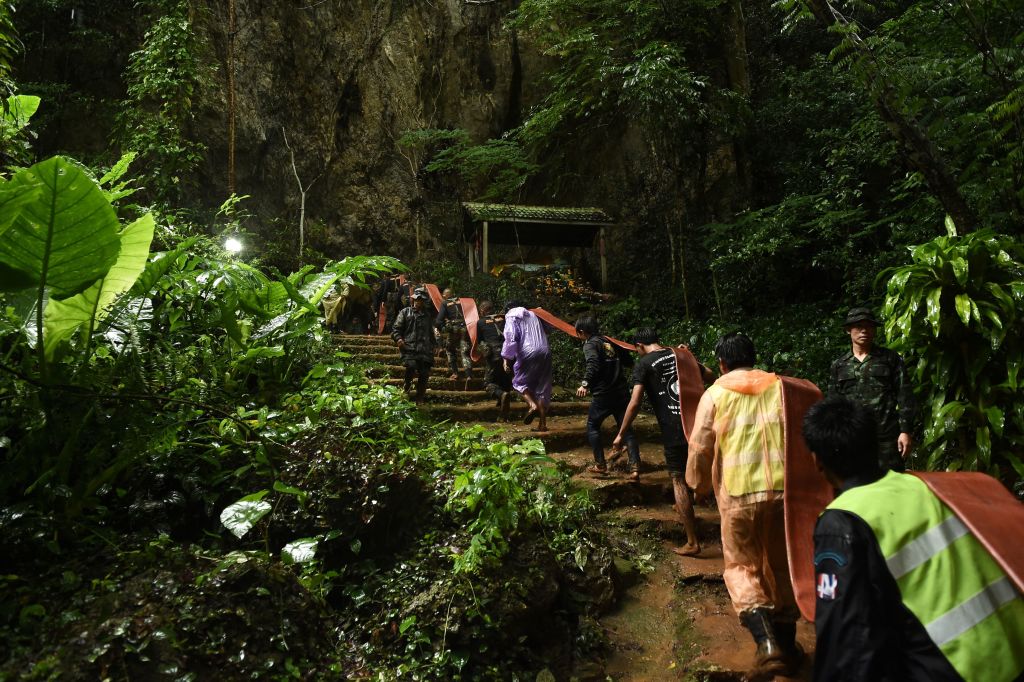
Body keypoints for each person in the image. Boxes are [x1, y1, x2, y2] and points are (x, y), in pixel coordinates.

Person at [802, 396, 1024, 682]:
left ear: (817, 461)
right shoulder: (923, 485)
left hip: (956, 669)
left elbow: (846, 641)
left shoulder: (842, 522)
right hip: (1011, 655)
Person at [687, 332, 803, 676]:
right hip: (784, 493)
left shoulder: (715, 394)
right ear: (753, 357)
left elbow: (700, 446)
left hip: (738, 494)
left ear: (722, 364)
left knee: (742, 567)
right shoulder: (782, 387)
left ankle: (767, 646)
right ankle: (788, 648)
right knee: (782, 566)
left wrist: (698, 485)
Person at [612, 327, 712, 556]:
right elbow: (711, 376)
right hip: (699, 423)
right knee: (700, 464)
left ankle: (692, 541)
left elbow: (635, 402)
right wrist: (691, 357)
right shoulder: (680, 354)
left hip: (673, 428)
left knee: (677, 479)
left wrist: (621, 433)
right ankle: (694, 499)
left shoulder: (644, 363)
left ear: (639, 346)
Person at [828, 307, 915, 471]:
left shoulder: (890, 359)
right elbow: (834, 404)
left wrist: (905, 431)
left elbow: (905, 395)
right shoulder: (839, 365)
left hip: (887, 438)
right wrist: (835, 436)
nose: (864, 330)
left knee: (891, 481)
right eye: (858, 326)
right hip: (853, 438)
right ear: (848, 330)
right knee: (856, 482)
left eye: (869, 326)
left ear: (874, 330)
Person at [573, 317, 642, 478]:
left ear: (582, 332)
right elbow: (628, 361)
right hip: (621, 392)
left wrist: (585, 384)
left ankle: (600, 464)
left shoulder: (590, 344)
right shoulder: (610, 341)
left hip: (603, 394)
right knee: (626, 428)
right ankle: (635, 468)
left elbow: (593, 363)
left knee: (592, 426)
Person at [501, 301, 552, 432]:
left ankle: (532, 405)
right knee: (542, 387)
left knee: (519, 382)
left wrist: (506, 359)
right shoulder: (535, 314)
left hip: (528, 352)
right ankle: (542, 424)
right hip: (545, 351)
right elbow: (549, 328)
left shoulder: (511, 315)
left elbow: (510, 338)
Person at [390, 288, 436, 403]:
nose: (418, 302)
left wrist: (435, 345)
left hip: (425, 350)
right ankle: (406, 391)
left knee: (424, 374)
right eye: (416, 299)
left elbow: (431, 333)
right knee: (410, 368)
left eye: (420, 300)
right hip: (409, 348)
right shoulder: (405, 312)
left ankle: (420, 398)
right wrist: (399, 339)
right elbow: (396, 329)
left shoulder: (428, 316)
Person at [476, 300, 513, 421]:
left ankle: (501, 395)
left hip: (494, 355)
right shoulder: (504, 318)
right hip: (508, 354)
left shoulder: (480, 322)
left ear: (482, 311)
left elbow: (480, 341)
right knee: (505, 380)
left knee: (488, 383)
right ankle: (504, 415)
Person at [435, 288, 473, 383]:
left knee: (449, 349)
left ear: (445, 296)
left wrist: (441, 328)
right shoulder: (462, 301)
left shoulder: (445, 303)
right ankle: (469, 375)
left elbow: (439, 320)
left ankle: (455, 373)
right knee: (465, 352)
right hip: (465, 328)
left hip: (454, 329)